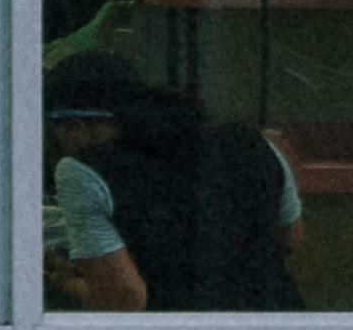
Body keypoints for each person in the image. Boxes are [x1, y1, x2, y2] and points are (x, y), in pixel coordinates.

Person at [43, 54, 308, 313]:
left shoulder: (80, 172)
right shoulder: (256, 142)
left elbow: (124, 300)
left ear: (74, 126)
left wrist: (65, 282)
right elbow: (290, 238)